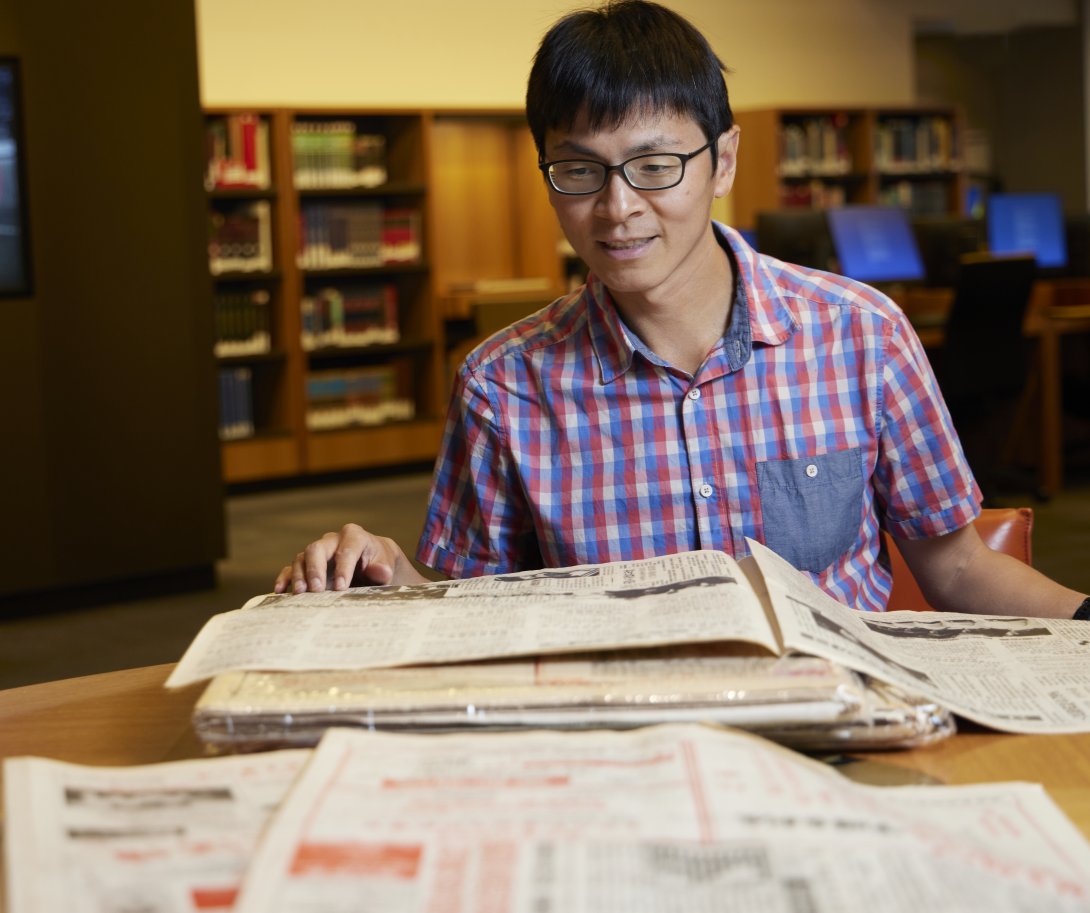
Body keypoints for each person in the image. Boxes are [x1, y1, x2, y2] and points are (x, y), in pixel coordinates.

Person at [275, 0, 1088, 620]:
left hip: (843, 730)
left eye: (655, 166)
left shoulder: (861, 334)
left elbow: (957, 569)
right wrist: (382, 569)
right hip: (626, 747)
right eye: (579, 171)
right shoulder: (503, 383)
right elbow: (472, 617)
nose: (618, 208)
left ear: (721, 159)